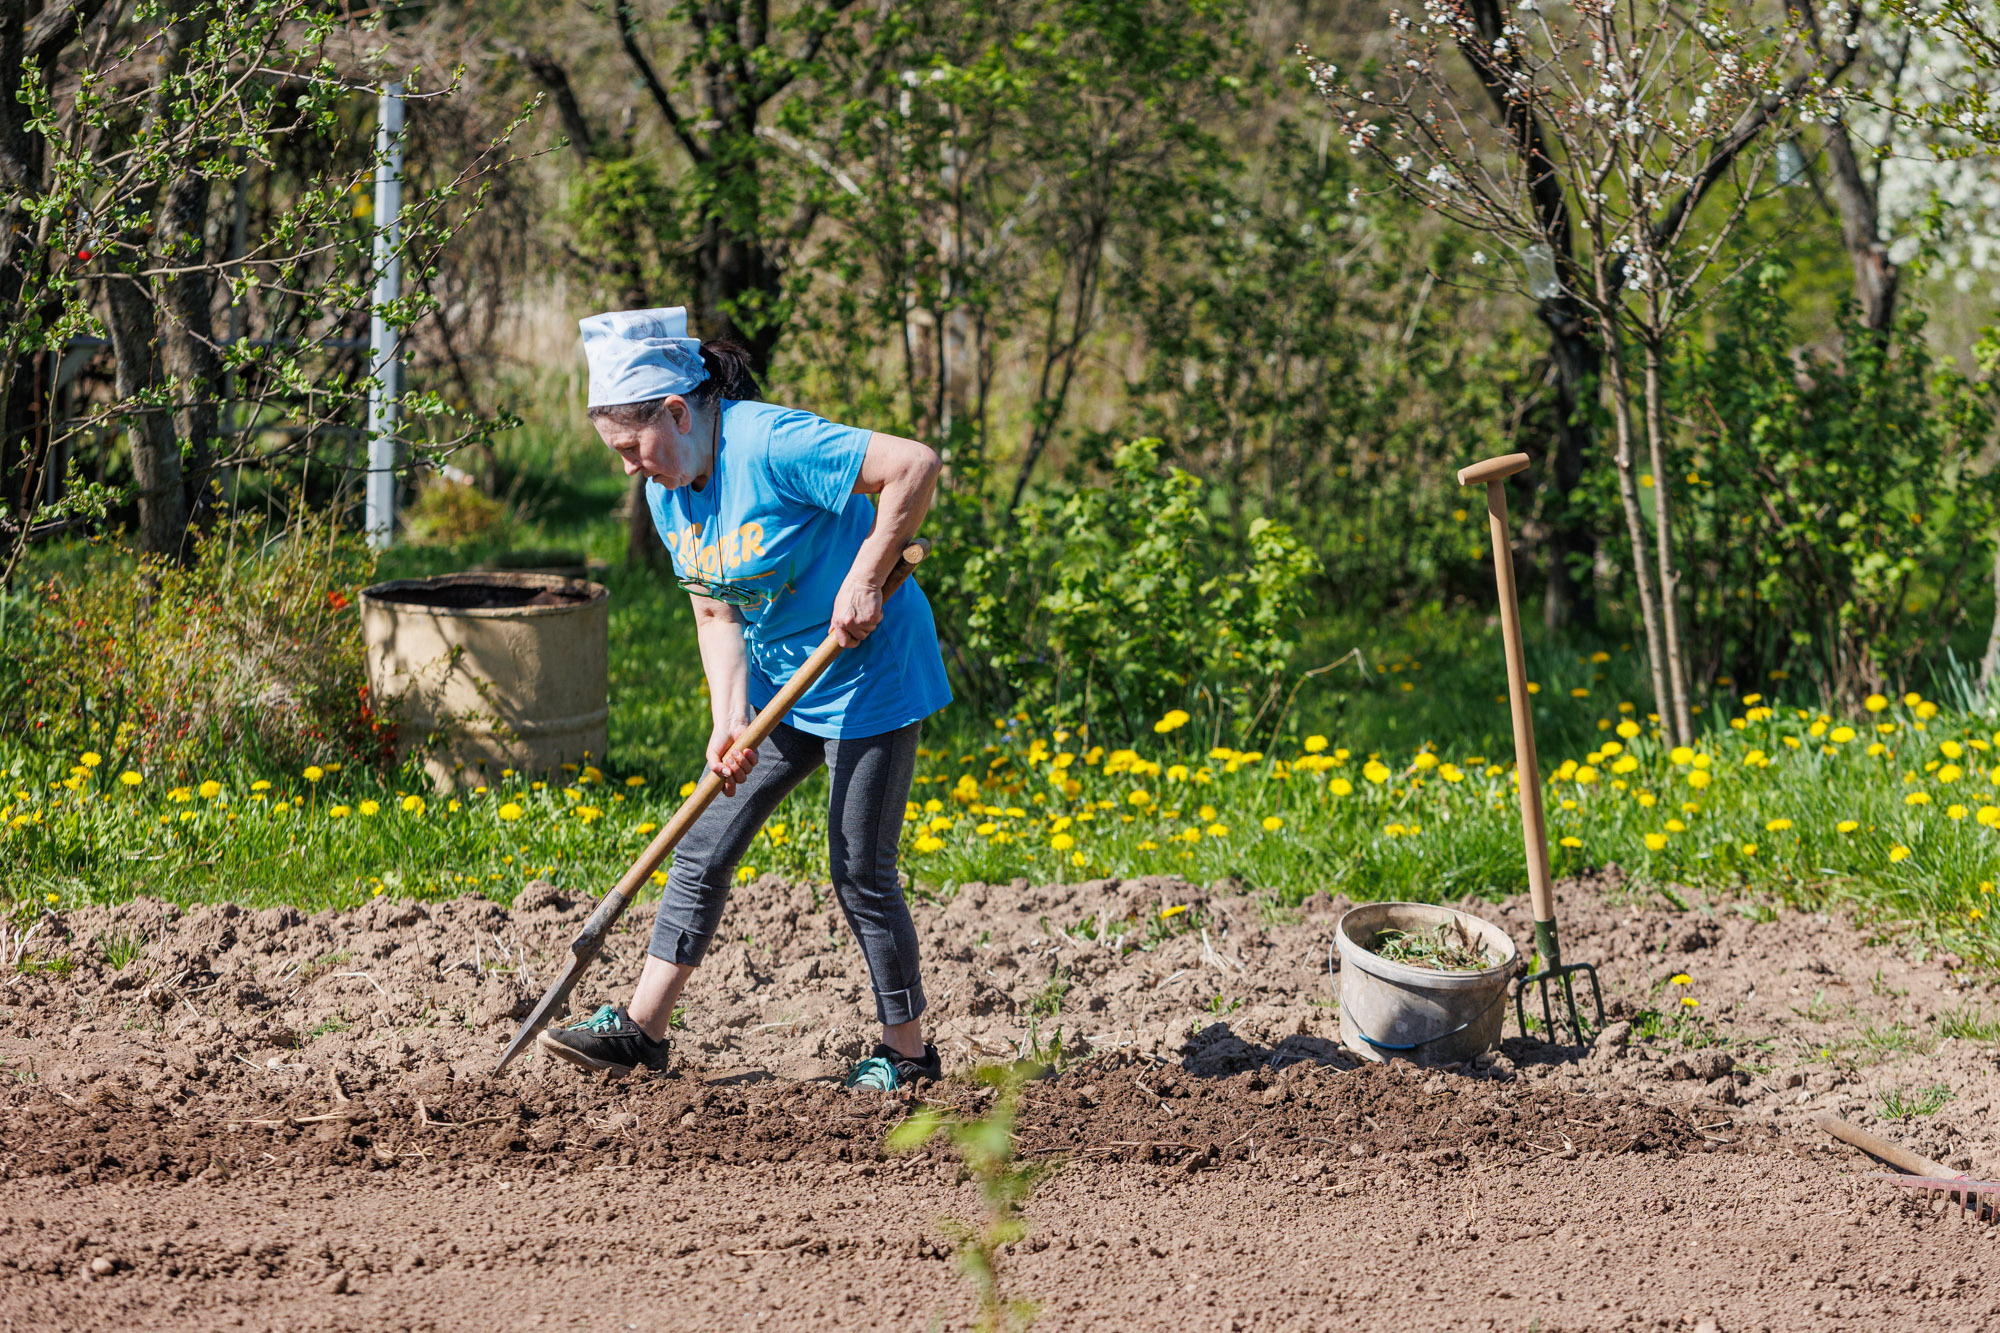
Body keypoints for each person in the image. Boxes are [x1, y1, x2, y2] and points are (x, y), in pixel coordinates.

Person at [536, 307, 952, 1091]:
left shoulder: (773, 443)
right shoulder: (670, 492)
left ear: (676, 411)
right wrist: (729, 716)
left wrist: (867, 575)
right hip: (778, 680)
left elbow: (916, 466)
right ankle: (642, 1030)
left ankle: (908, 1052)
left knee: (859, 866)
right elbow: (715, 609)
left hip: (868, 672)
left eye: (632, 447)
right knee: (702, 841)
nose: (628, 467)